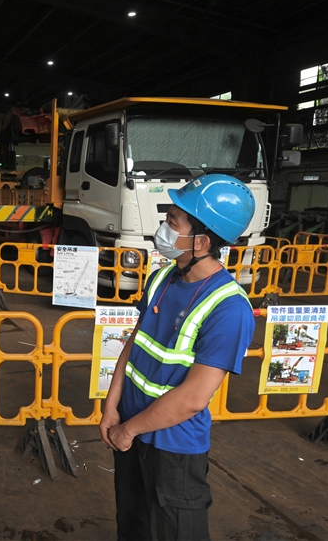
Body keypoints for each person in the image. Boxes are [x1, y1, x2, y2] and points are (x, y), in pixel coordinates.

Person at [99, 174, 257, 541]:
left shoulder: (228, 309)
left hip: (174, 448)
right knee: (133, 524)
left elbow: (192, 400)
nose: (163, 229)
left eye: (172, 222)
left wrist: (129, 429)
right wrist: (112, 408)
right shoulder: (161, 279)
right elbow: (132, 348)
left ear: (201, 241)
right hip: (129, 431)